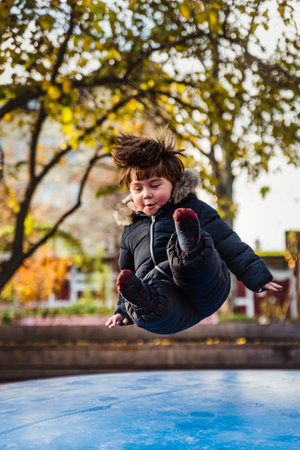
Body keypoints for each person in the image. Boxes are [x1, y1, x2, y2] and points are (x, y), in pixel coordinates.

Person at [105, 131, 281, 334]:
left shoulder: (194, 207)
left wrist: (256, 275)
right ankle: (144, 298)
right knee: (149, 305)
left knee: (189, 259)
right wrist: (122, 311)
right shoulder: (131, 229)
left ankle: (189, 243)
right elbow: (126, 272)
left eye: (155, 185)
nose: (146, 194)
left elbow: (227, 241)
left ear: (173, 183)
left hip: (205, 287)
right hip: (169, 302)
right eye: (137, 189)